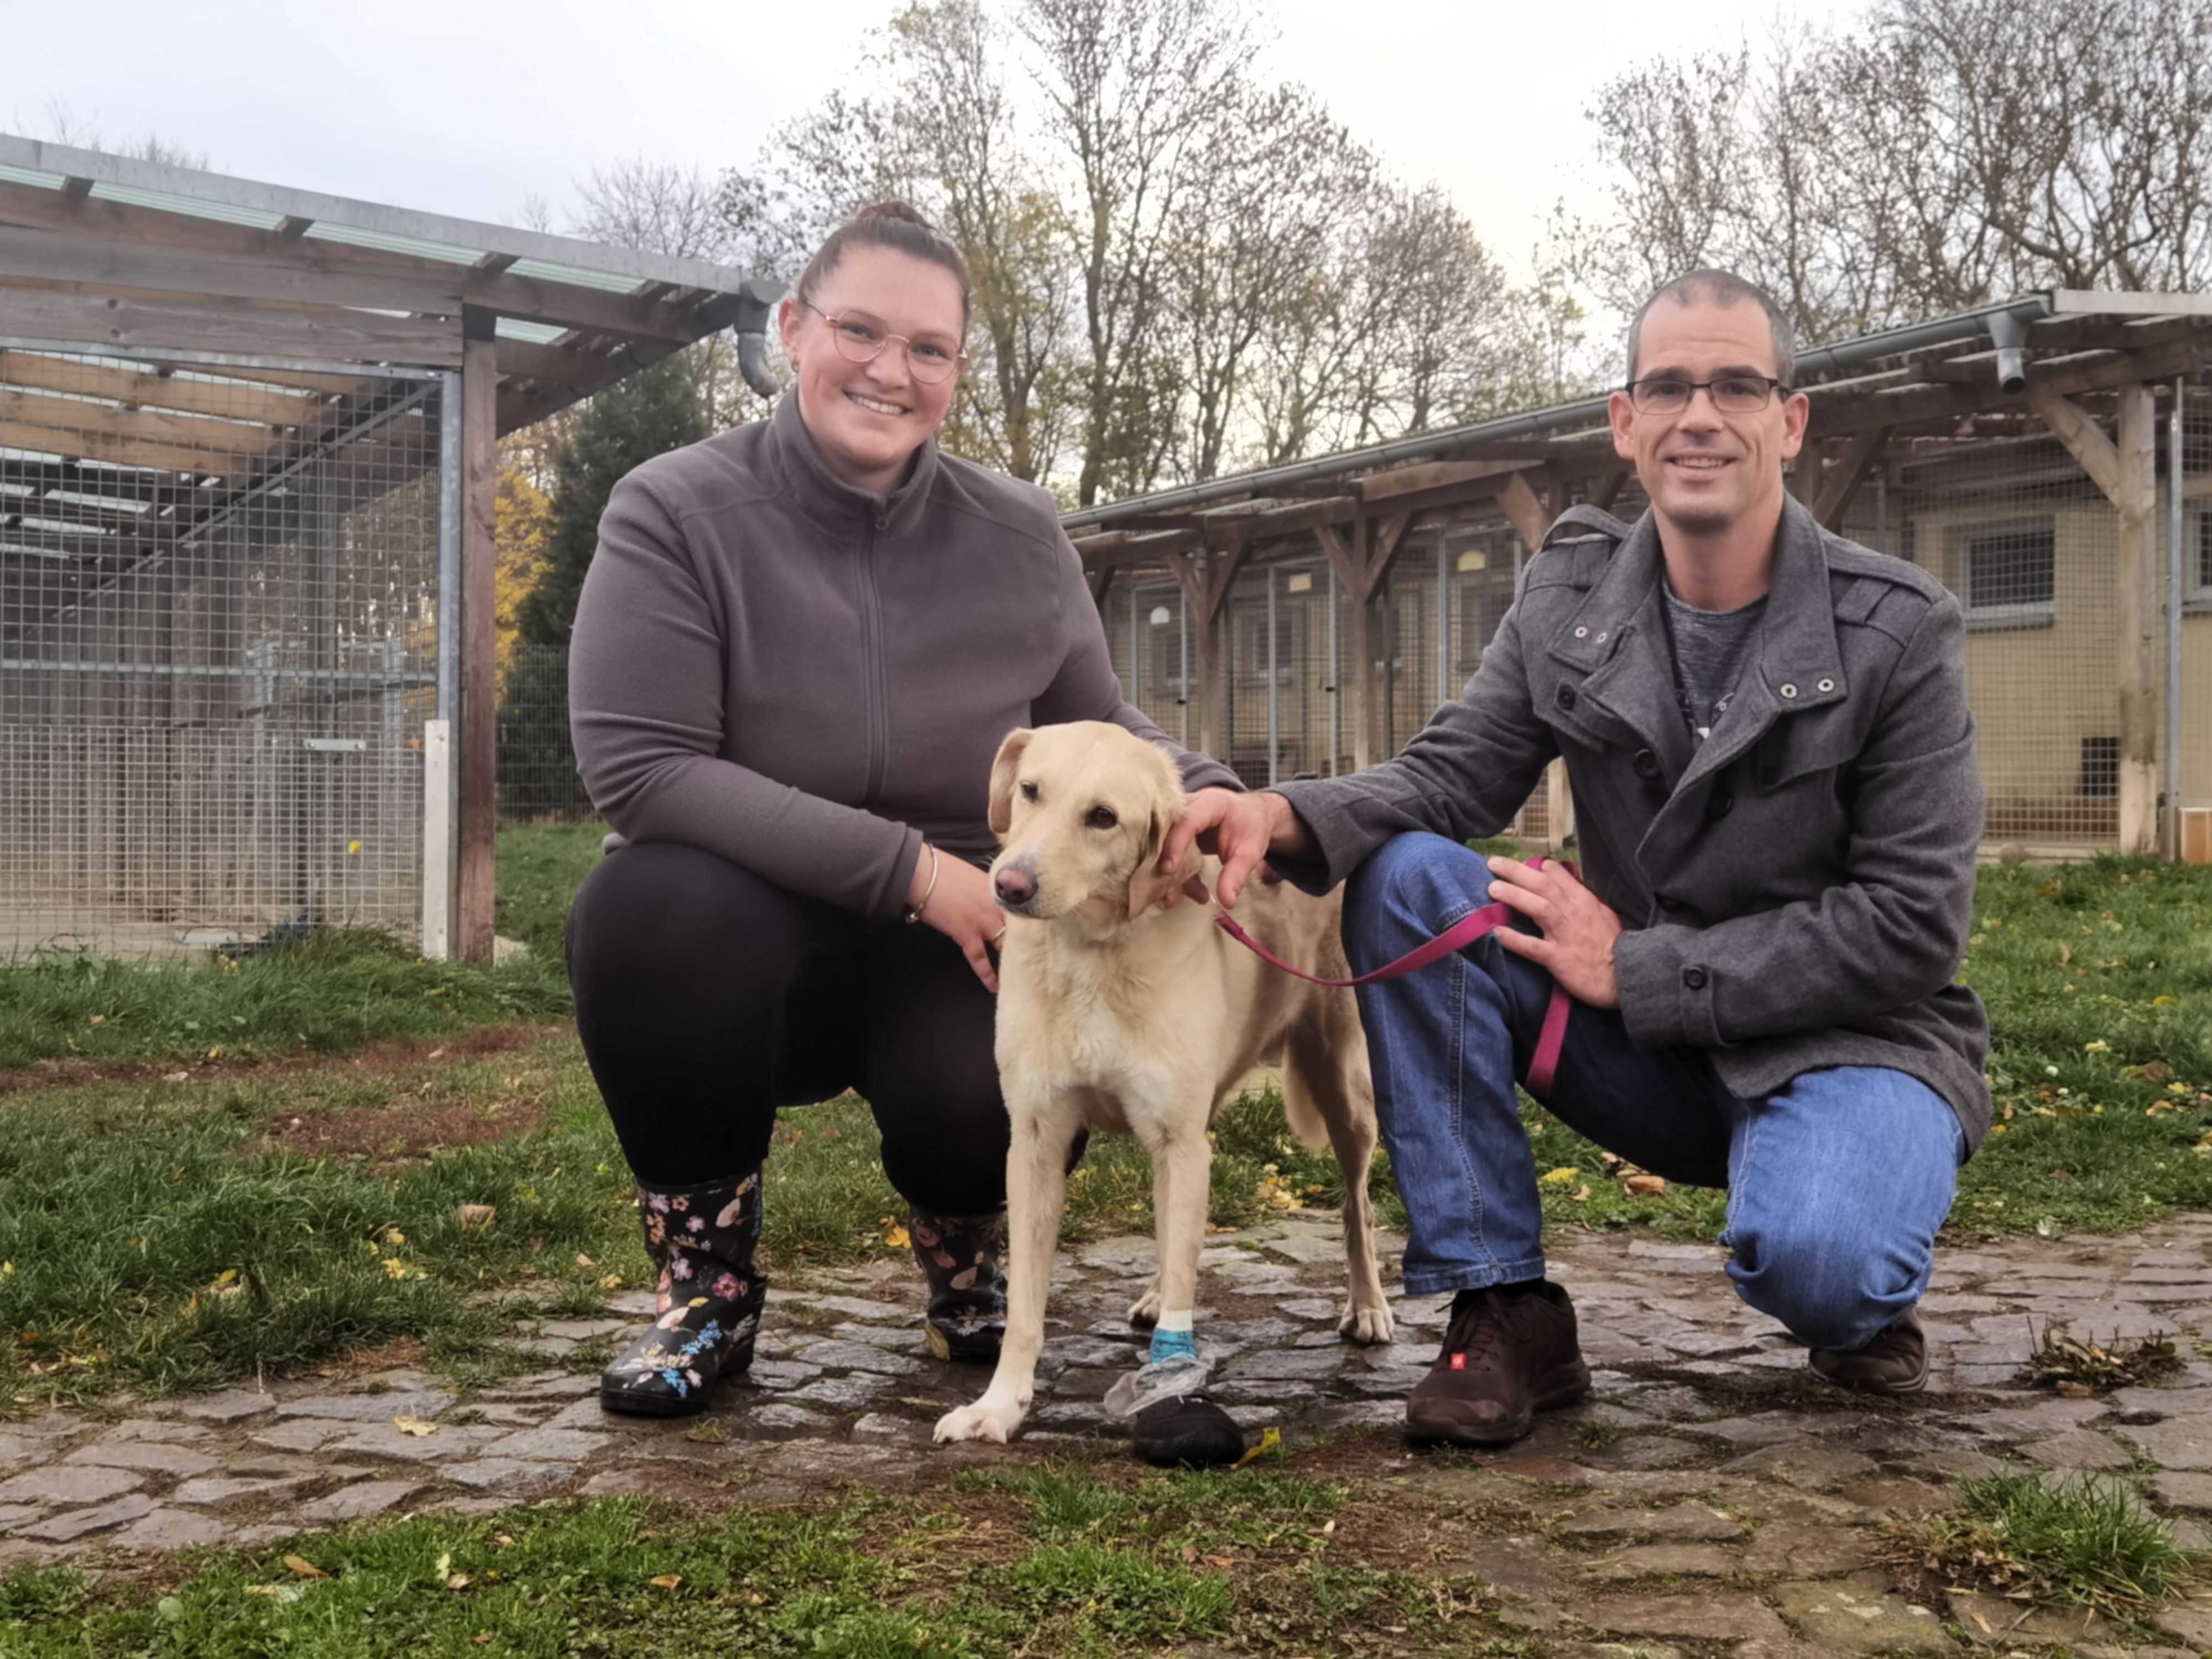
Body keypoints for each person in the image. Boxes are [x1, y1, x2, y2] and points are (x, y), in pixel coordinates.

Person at [1162, 269, 1987, 1447]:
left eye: (1734, 386)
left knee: (1821, 1263)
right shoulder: (1569, 594)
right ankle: (1503, 1305)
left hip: (1847, 1044)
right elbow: (1450, 778)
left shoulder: (1896, 630)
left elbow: (1911, 926)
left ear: (1787, 422)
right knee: (1407, 882)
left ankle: (1858, 1295)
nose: (1698, 415)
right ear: (1624, 421)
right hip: (1644, 1056)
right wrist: (1277, 815)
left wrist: (1643, 967)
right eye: (1667, 387)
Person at [564, 201, 1239, 1417]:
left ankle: (971, 1271)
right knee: (642, 906)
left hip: (958, 944)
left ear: (956, 372)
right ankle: (704, 1295)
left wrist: (1218, 799)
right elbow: (642, 769)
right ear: (790, 328)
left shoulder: (1020, 530)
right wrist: (917, 874)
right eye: (858, 330)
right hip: (751, 930)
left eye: (927, 348)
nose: (889, 370)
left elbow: (1105, 731)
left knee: (990, 1077)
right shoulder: (670, 509)